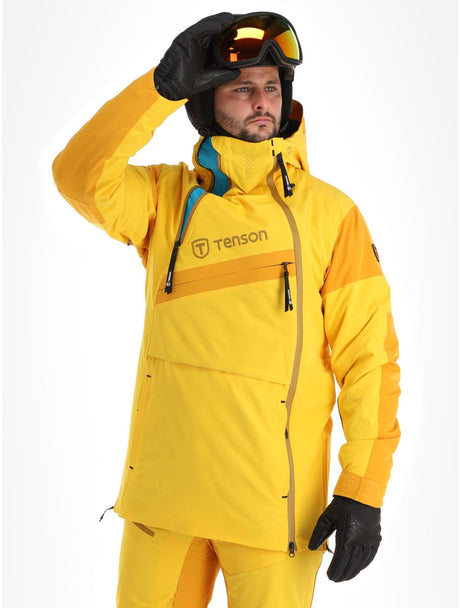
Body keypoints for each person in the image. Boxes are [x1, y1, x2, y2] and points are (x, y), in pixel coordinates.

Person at [52, 11, 401, 608]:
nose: (261, 101)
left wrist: (363, 489)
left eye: (271, 87)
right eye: (241, 88)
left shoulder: (331, 216)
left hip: (274, 513)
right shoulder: (164, 199)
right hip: (164, 502)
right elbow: (77, 176)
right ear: (205, 102)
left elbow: (370, 360)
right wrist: (158, 89)